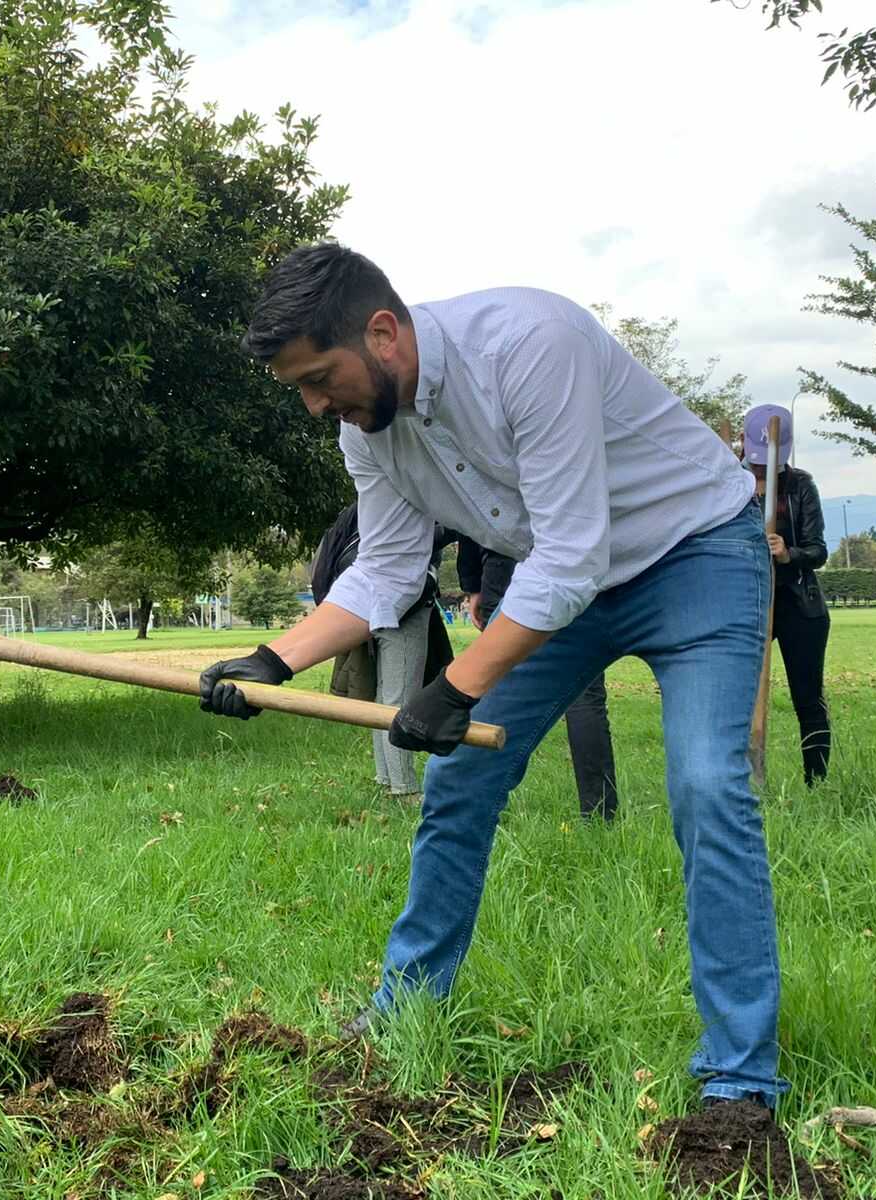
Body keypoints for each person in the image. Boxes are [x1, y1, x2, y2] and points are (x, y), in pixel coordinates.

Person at [198, 243, 785, 1110]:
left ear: (383, 333)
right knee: (461, 780)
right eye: (301, 390)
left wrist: (455, 687)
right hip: (563, 583)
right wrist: (273, 660)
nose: (317, 404)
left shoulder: (528, 343)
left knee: (706, 784)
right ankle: (405, 1010)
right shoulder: (368, 432)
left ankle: (739, 1076)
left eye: (320, 378)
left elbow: (572, 554)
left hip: (694, 555)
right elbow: (386, 569)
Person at [457, 535, 620, 821]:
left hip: (507, 566)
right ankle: (599, 809)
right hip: (567, 564)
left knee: (500, 694)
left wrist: (472, 583)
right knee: (585, 696)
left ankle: (478, 807)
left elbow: (473, 520)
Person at [311, 505, 453, 800]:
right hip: (404, 607)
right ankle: (404, 788)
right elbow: (416, 539)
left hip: (371, 604)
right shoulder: (415, 498)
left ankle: (386, 777)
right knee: (399, 701)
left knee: (385, 696)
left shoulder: (367, 505)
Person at [743, 404, 831, 785]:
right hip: (748, 604)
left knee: (808, 699)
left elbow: (819, 550)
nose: (762, 468)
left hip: (798, 604)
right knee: (740, 699)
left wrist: (788, 553)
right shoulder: (730, 483)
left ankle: (817, 782)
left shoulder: (800, 486)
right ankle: (743, 781)